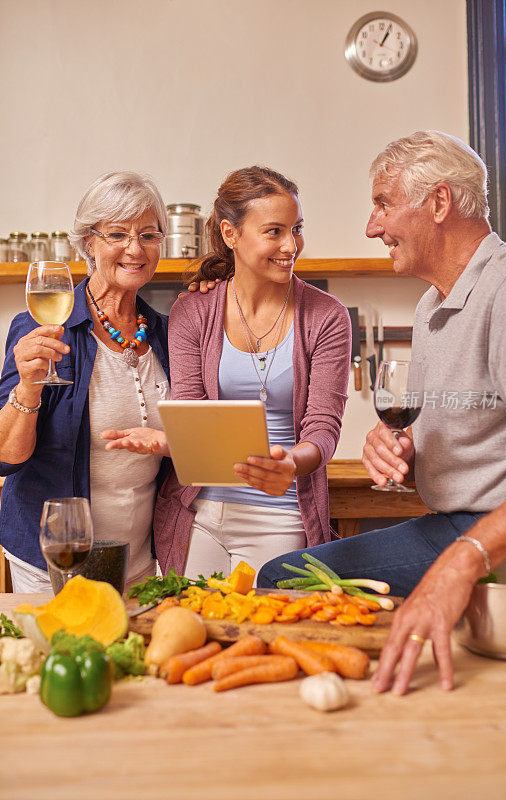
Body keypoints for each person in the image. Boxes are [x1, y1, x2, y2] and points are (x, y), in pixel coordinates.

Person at [257, 131, 506, 693]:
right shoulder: (434, 303)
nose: (370, 226)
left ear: (437, 203)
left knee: (282, 581)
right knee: (285, 578)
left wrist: (463, 561)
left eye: (382, 203)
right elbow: (474, 432)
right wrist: (397, 450)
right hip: (456, 522)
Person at [104, 166, 351, 577]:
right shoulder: (194, 310)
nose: (291, 245)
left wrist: (290, 462)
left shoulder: (326, 316)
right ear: (231, 234)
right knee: (194, 627)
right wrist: (167, 442)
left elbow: (324, 430)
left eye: (297, 229)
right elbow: (193, 415)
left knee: (259, 635)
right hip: (201, 513)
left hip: (280, 513)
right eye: (274, 231)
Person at [0, 171, 173, 593]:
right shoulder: (39, 327)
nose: (135, 249)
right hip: (54, 561)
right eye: (117, 233)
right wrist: (27, 387)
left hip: (140, 561)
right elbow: (5, 456)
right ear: (88, 243)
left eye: (149, 235)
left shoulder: (169, 334)